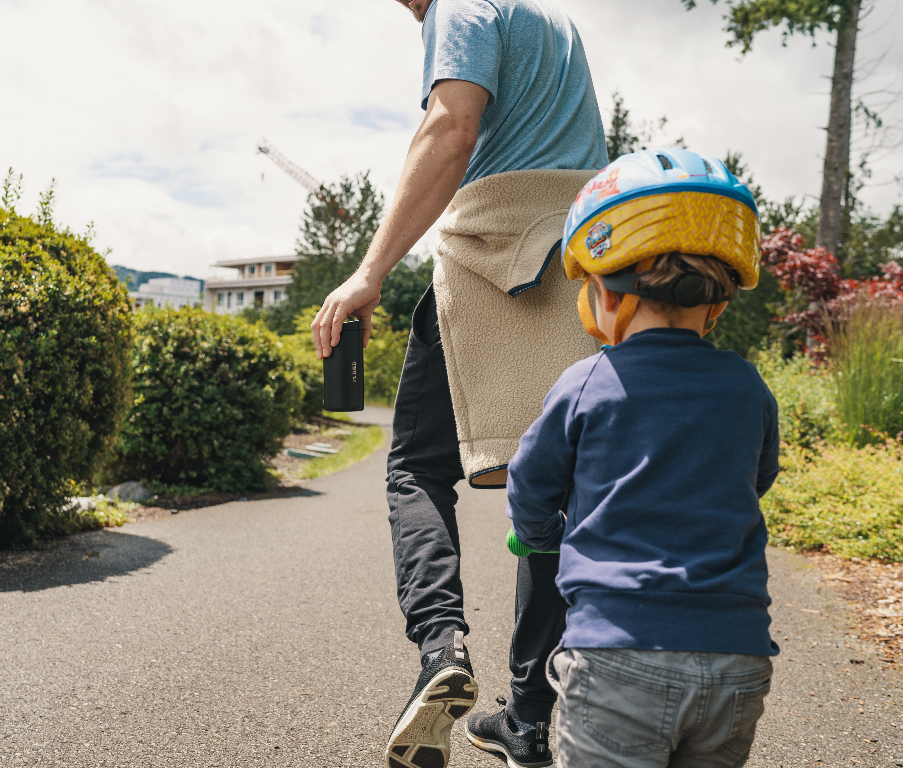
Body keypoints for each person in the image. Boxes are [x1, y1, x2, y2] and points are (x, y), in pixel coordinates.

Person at [310, 2, 608, 767]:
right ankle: (533, 717)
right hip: (578, 260)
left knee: (417, 465)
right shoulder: (554, 21)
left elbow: (452, 129)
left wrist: (368, 273)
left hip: (495, 259)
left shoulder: (463, 7)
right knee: (556, 483)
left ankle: (441, 647)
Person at [506, 148, 781, 768]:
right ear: (718, 301)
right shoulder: (747, 385)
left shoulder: (587, 381)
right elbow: (755, 478)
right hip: (737, 657)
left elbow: (530, 483)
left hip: (619, 655)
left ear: (605, 291)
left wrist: (540, 536)